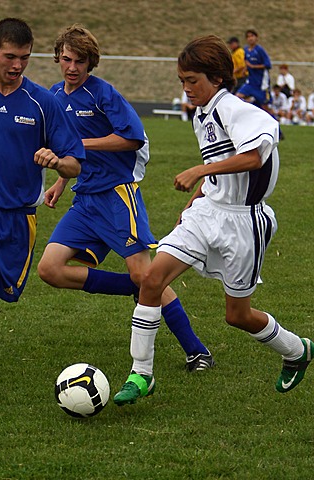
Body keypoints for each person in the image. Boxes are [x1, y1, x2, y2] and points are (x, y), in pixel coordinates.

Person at [114, 35, 314, 406]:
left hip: (243, 222)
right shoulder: (203, 112)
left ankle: (296, 349)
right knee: (151, 279)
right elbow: (223, 164)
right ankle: (141, 373)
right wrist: (201, 192)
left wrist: (199, 171)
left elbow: (254, 157)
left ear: (217, 78)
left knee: (236, 315)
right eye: (182, 82)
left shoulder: (235, 109)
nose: (187, 89)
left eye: (193, 81)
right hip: (208, 214)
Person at [37, 24, 214, 372]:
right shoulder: (56, 96)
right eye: (67, 59)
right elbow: (68, 154)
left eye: (81, 61)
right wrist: (60, 181)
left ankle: (197, 350)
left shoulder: (103, 94)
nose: (73, 67)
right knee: (49, 269)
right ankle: (132, 290)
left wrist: (81, 145)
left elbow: (132, 138)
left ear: (91, 63)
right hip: (85, 200)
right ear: (58, 57)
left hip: (118, 195)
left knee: (146, 274)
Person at [0, 18, 84, 307]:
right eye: (10, 56)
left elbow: (75, 165)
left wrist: (57, 162)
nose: (17, 65)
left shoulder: (43, 103)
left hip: (15, 218)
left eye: (25, 58)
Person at [236, 29, 272, 112]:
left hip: (261, 84)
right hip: (250, 82)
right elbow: (246, 61)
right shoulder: (245, 50)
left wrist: (253, 66)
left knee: (265, 107)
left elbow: (268, 65)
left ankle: (274, 121)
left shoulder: (260, 50)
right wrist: (245, 69)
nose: (250, 38)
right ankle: (251, 102)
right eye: (248, 37)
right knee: (238, 96)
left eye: (252, 36)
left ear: (256, 38)